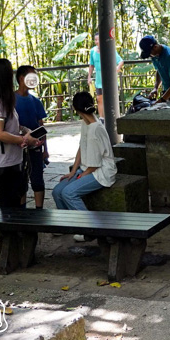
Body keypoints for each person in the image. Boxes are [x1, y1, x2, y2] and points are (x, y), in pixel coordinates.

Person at [53, 92, 118, 240]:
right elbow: (81, 148)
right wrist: (73, 171)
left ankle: (90, 230)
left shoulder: (96, 128)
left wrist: (80, 176)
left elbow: (94, 166)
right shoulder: (86, 123)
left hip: (101, 171)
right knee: (57, 191)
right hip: (87, 168)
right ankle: (68, 225)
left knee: (68, 193)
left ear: (77, 109)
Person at [0, 59, 37, 209]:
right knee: (9, 200)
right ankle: (6, 231)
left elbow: (12, 125)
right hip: (4, 160)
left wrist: (26, 131)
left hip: (11, 158)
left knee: (14, 196)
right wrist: (22, 139)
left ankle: (11, 230)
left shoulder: (4, 100)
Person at [15, 65, 49, 208]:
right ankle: (22, 212)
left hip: (36, 147)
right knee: (21, 181)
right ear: (21, 78)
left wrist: (45, 150)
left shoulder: (35, 101)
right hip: (17, 148)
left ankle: (39, 211)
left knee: (37, 179)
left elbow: (41, 127)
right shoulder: (10, 100)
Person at [87, 33, 124, 120]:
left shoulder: (110, 49)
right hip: (99, 80)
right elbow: (91, 65)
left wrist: (117, 68)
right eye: (95, 40)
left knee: (111, 98)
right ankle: (101, 118)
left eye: (98, 40)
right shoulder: (92, 51)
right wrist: (89, 76)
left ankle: (113, 117)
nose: (96, 42)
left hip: (110, 80)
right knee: (99, 98)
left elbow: (121, 61)